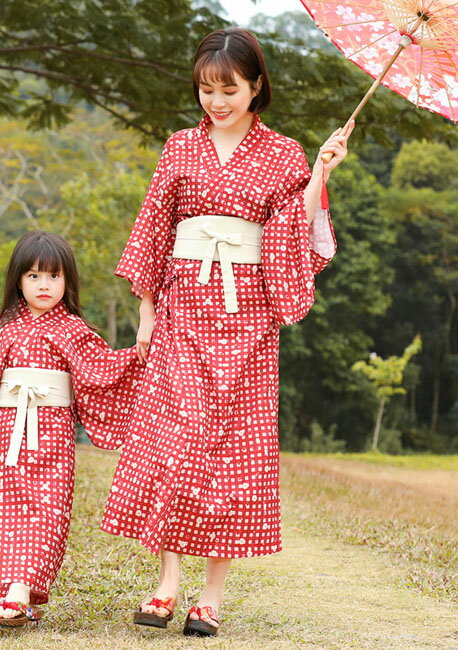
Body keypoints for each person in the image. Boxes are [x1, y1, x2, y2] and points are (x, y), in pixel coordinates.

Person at [100, 27, 352, 637]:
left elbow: (298, 231)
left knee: (230, 454)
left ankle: (210, 595)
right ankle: (166, 582)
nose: (216, 101)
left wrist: (322, 170)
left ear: (256, 86)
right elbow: (155, 225)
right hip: (182, 307)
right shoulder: (180, 145)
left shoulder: (285, 153)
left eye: (229, 88)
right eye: (206, 89)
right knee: (175, 441)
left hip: (247, 321)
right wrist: (145, 310)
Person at [0, 230, 140, 627]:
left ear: (67, 281)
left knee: (46, 513)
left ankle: (21, 591)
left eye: (54, 277)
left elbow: (103, 372)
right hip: (7, 434)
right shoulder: (1, 329)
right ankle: (10, 592)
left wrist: (142, 355)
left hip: (53, 437)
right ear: (18, 280)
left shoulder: (73, 329)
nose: (44, 285)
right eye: (34, 276)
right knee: (2, 512)